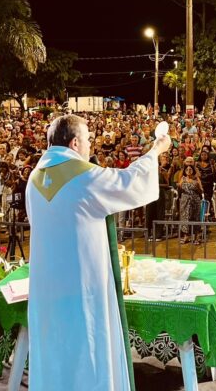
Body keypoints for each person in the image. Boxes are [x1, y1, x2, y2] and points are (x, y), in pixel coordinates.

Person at [25, 114, 170, 391]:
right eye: (88, 139)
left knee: (55, 356)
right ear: (75, 142)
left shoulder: (35, 177)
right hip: (81, 289)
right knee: (86, 356)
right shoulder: (81, 175)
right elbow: (129, 182)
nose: (90, 145)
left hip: (47, 289)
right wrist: (155, 151)